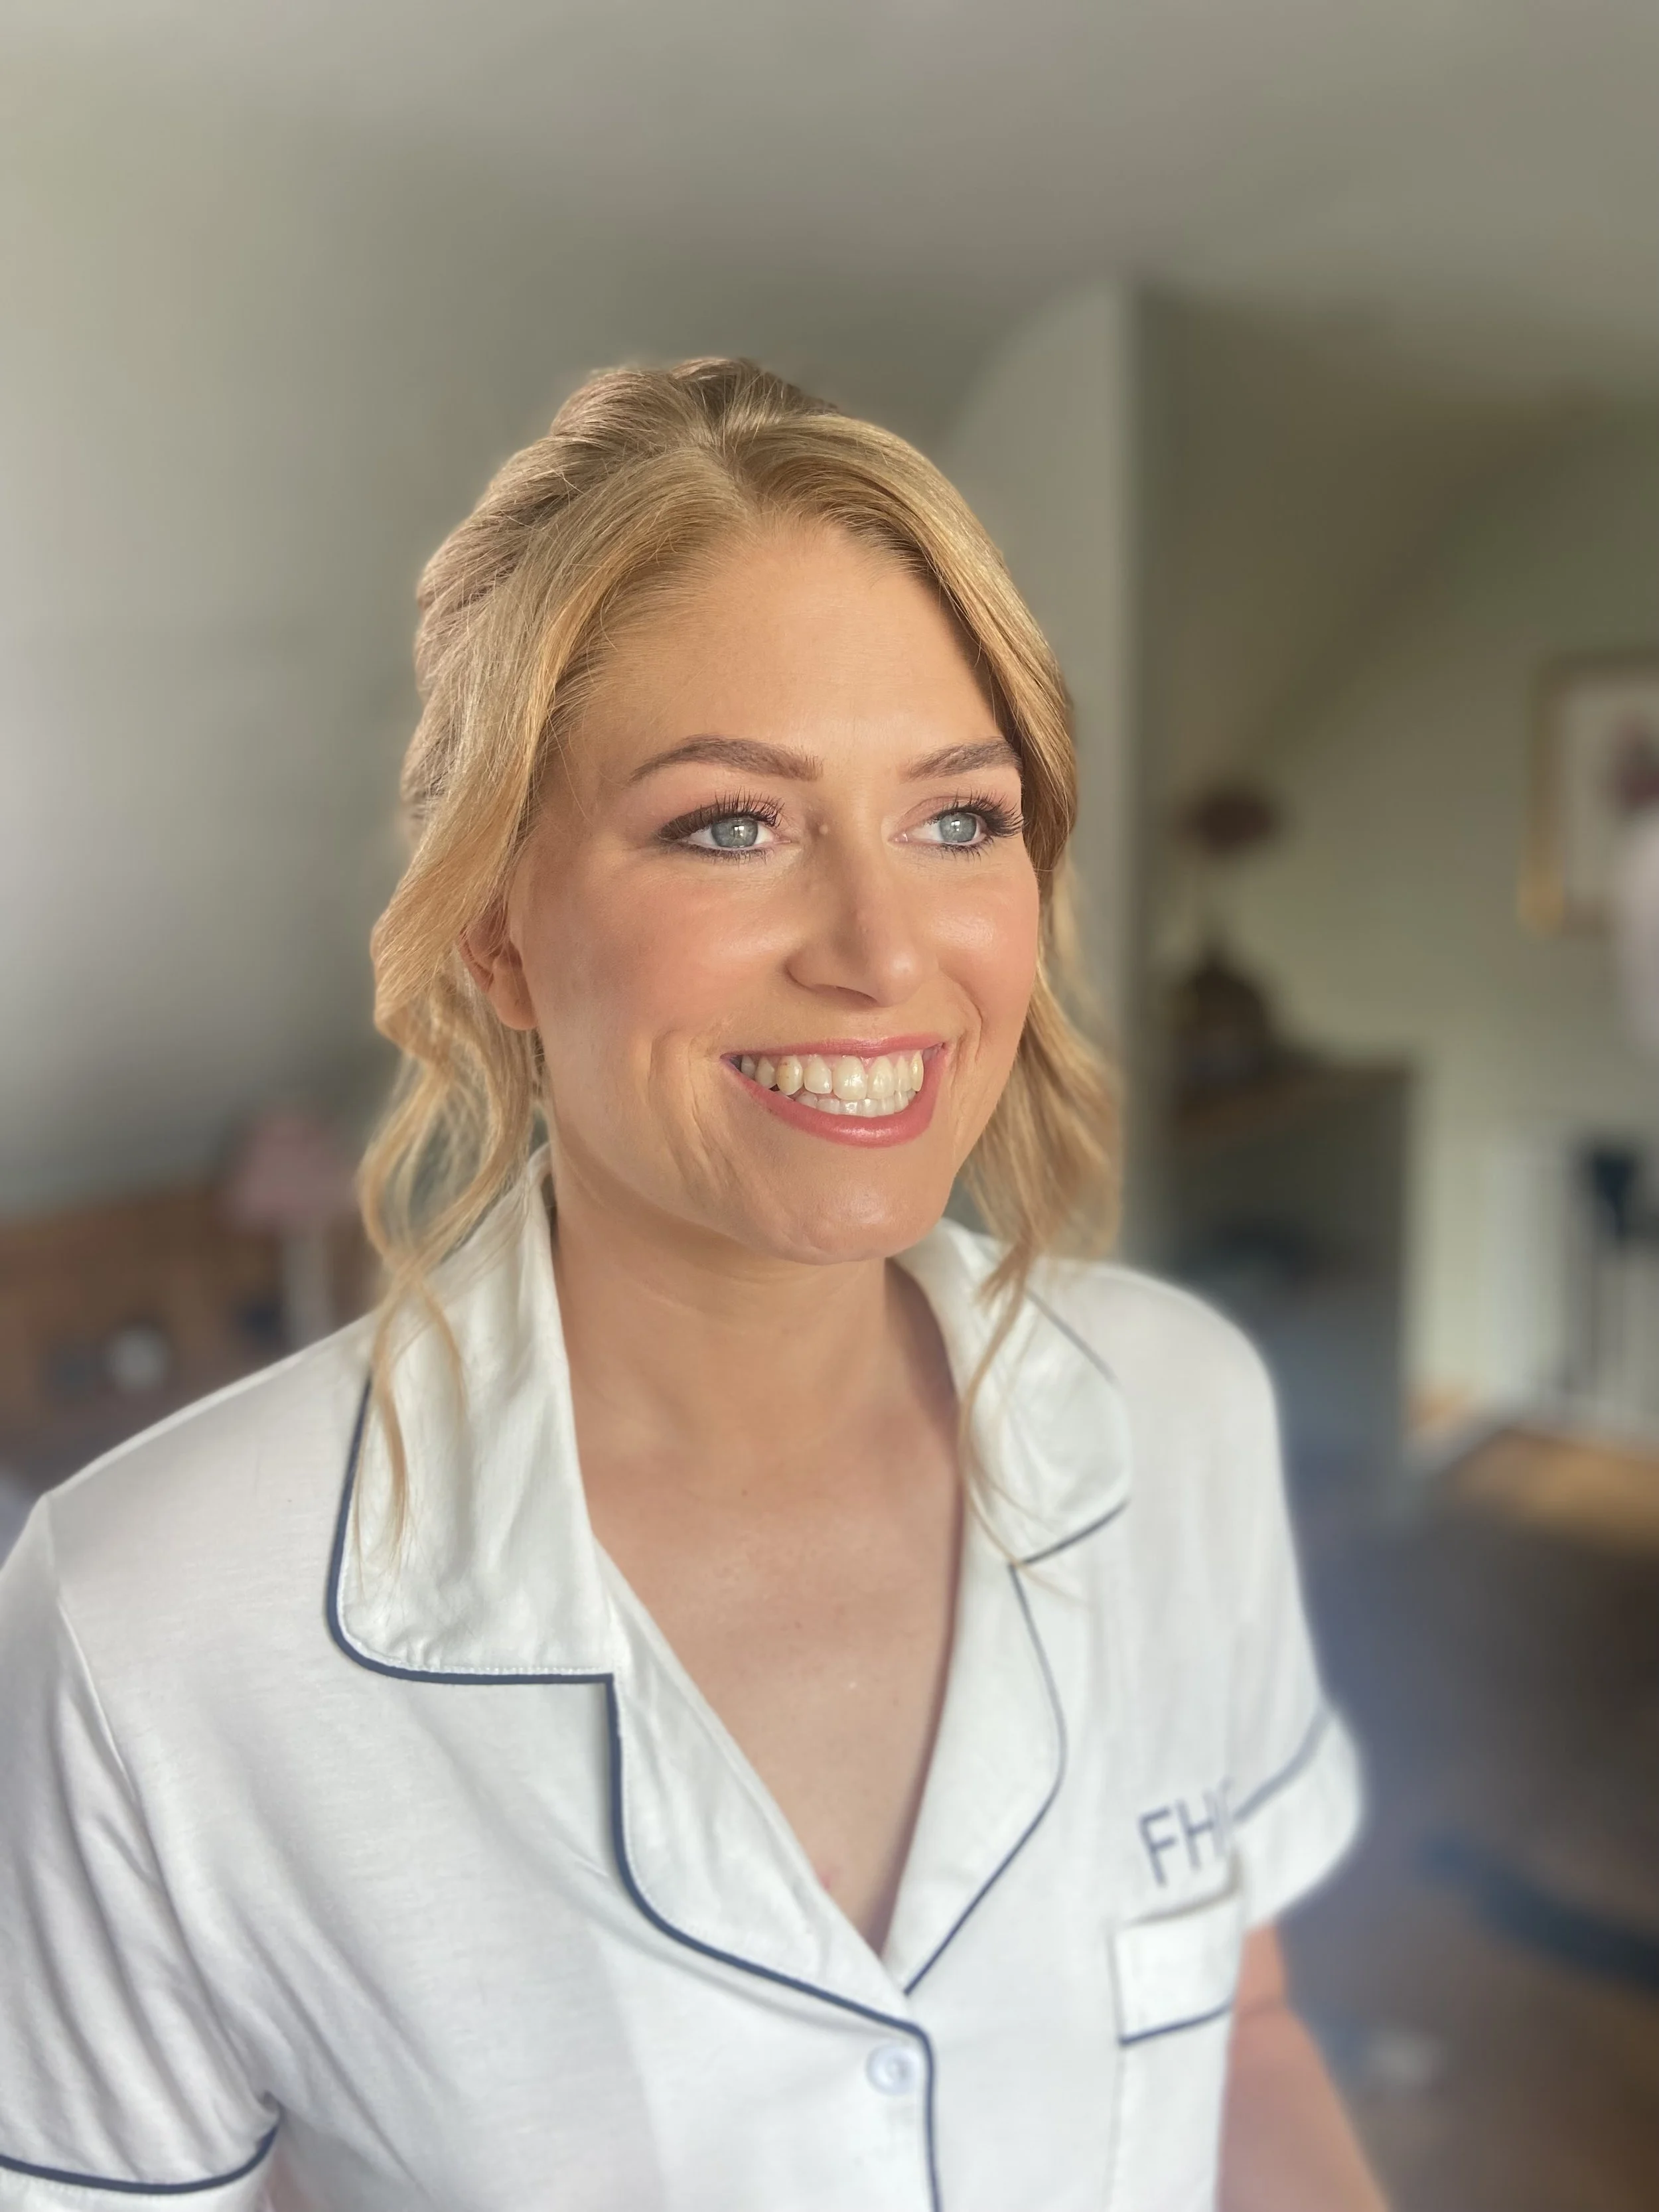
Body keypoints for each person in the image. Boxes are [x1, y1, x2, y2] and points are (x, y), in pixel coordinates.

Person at [0, 360, 1384, 2211]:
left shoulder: (1178, 1401)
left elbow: (1244, 2036)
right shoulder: (151, 1624)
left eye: (957, 818)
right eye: (730, 824)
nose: (884, 951)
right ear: (496, 928)